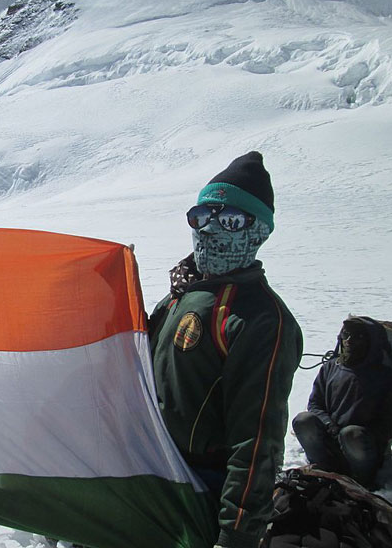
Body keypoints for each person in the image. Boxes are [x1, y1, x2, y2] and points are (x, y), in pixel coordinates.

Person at [148, 151, 303, 548]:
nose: (211, 228)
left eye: (230, 219)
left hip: (202, 490)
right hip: (150, 472)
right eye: (202, 216)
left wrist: (236, 535)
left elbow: (256, 443)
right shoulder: (180, 296)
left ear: (259, 232)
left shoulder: (261, 320)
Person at [292, 317, 392, 488]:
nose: (348, 341)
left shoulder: (385, 376)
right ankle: (323, 470)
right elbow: (315, 404)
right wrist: (329, 425)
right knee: (303, 420)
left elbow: (389, 422)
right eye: (346, 335)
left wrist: (364, 435)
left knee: (351, 435)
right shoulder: (331, 367)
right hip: (330, 438)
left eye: (357, 337)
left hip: (362, 446)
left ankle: (362, 482)